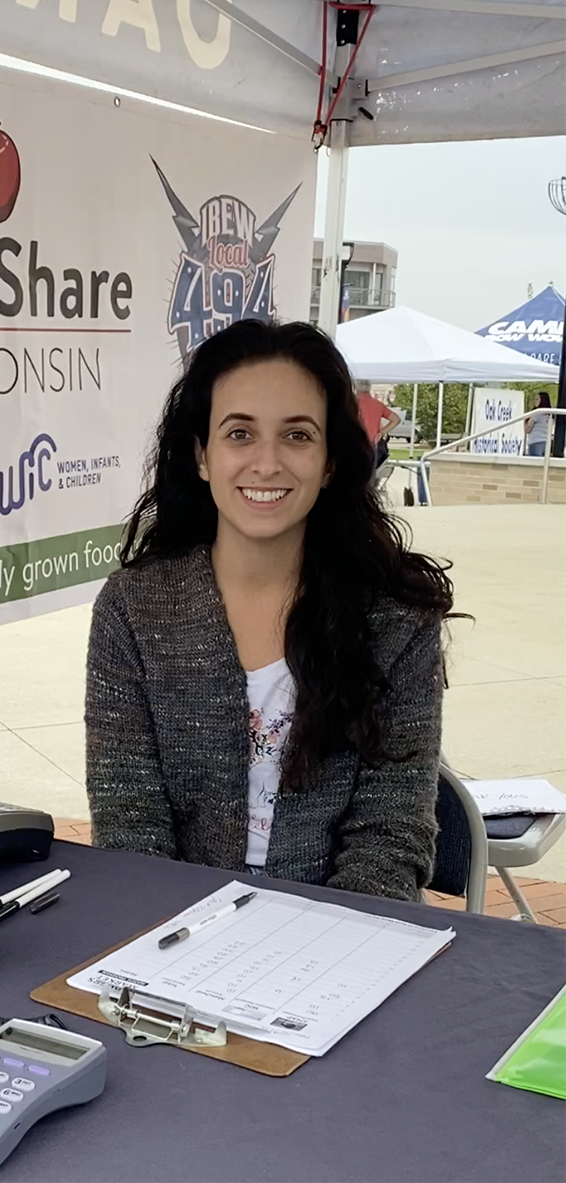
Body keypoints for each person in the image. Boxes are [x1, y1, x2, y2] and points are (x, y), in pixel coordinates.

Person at [85, 320, 455, 902]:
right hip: (172, 933)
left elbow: (390, 832)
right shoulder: (133, 609)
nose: (266, 463)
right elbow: (129, 820)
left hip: (341, 940)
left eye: (298, 436)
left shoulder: (396, 619)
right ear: (202, 456)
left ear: (331, 461)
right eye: (239, 434)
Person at [355, 379, 400, 469]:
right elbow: (396, 419)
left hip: (356, 446)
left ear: (356, 388)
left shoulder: (352, 404)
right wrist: (382, 432)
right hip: (373, 446)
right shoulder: (378, 404)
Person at [525, 392, 552, 457]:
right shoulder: (550, 415)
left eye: (537, 399)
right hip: (546, 443)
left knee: (533, 464)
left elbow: (527, 429)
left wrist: (525, 421)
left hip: (535, 442)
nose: (535, 401)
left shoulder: (536, 413)